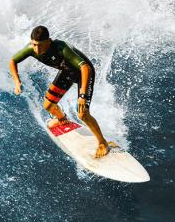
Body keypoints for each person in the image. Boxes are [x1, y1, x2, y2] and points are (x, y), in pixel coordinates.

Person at [9, 26, 112, 157]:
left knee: (82, 113)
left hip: (84, 73)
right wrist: (17, 81)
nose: (37, 49)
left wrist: (82, 96)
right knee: (48, 106)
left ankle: (103, 143)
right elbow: (13, 61)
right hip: (67, 72)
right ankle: (62, 119)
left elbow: (85, 68)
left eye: (40, 45)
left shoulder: (60, 47)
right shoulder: (31, 49)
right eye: (34, 44)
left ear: (49, 41)